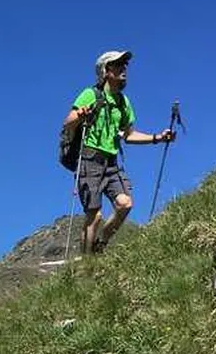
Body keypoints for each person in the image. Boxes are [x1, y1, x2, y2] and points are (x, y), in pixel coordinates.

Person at [62, 50, 177, 255]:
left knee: (125, 204)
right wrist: (80, 114)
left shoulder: (123, 103)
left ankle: (100, 245)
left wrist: (157, 138)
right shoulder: (90, 94)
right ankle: (86, 263)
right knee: (94, 216)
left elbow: (129, 135)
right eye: (118, 64)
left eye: (125, 65)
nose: (124, 69)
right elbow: (68, 122)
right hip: (89, 159)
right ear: (106, 71)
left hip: (111, 162)